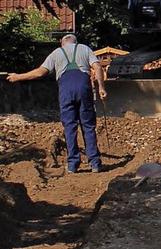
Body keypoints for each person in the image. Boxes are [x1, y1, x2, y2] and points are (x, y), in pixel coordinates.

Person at [7, 34, 107, 173]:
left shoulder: (56, 53)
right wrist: (101, 87)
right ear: (75, 42)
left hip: (66, 90)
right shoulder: (85, 49)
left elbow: (40, 72)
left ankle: (73, 164)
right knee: (88, 126)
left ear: (62, 43)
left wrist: (18, 77)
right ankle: (95, 164)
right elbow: (98, 68)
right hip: (84, 89)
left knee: (70, 127)